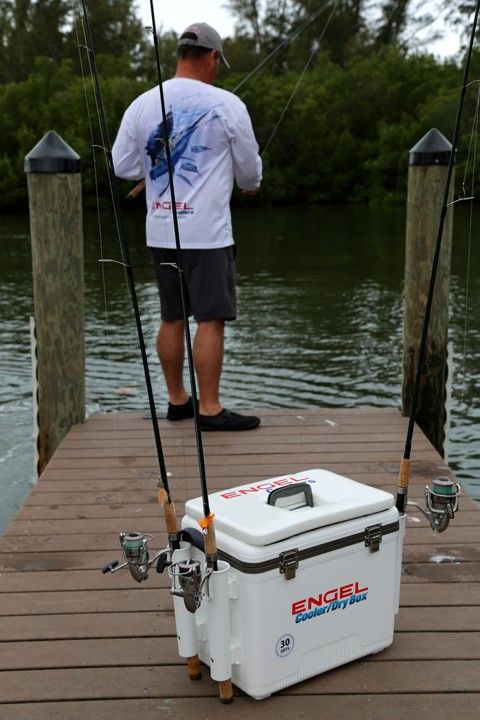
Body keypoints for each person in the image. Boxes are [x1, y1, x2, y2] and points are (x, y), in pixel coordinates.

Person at [112, 22, 262, 431]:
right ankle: (210, 409)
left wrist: (157, 165)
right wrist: (246, 182)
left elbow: (123, 166)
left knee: (172, 316)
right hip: (207, 235)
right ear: (212, 57)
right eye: (219, 62)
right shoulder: (228, 104)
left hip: (159, 230)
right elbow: (250, 175)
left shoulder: (143, 104)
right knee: (210, 319)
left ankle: (178, 401)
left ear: (180, 55)